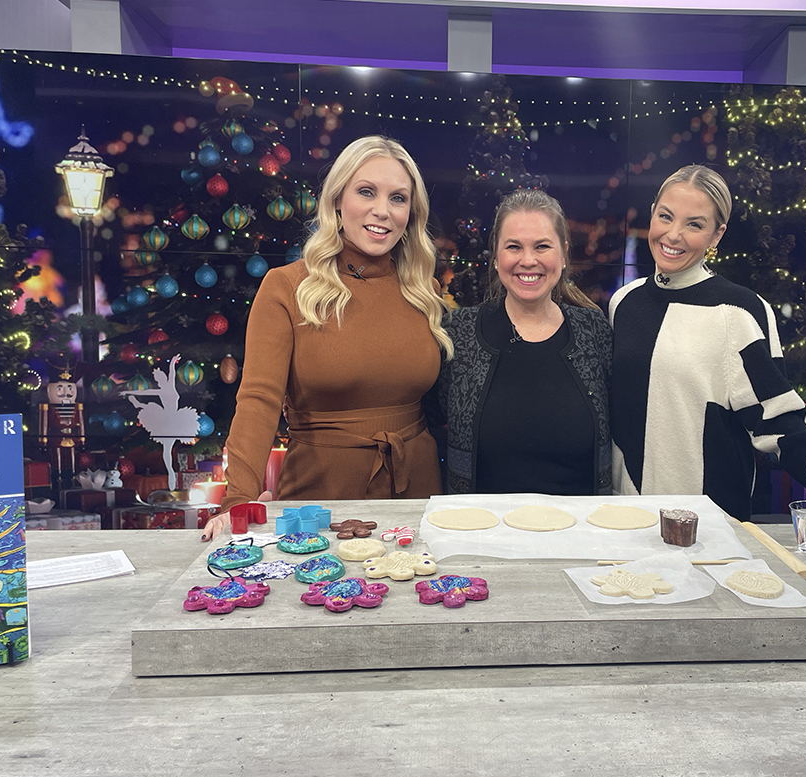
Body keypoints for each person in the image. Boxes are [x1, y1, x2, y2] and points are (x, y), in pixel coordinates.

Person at [609, 164, 806, 530]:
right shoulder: (623, 302)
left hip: (707, 530)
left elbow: (781, 421)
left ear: (717, 235)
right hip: (626, 523)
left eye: (694, 224)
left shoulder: (739, 312)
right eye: (665, 216)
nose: (673, 234)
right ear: (652, 213)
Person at [202, 136, 451, 541]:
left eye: (398, 198)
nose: (382, 211)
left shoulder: (423, 291)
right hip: (318, 501)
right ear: (337, 200)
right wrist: (239, 500)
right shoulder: (286, 286)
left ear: (412, 213)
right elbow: (258, 400)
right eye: (366, 192)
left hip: (418, 497)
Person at [438, 189, 612, 495]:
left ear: (563, 253)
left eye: (542, 246)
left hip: (581, 535)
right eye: (514, 247)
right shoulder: (458, 333)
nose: (528, 260)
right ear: (496, 256)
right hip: (478, 534)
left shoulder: (594, 331)